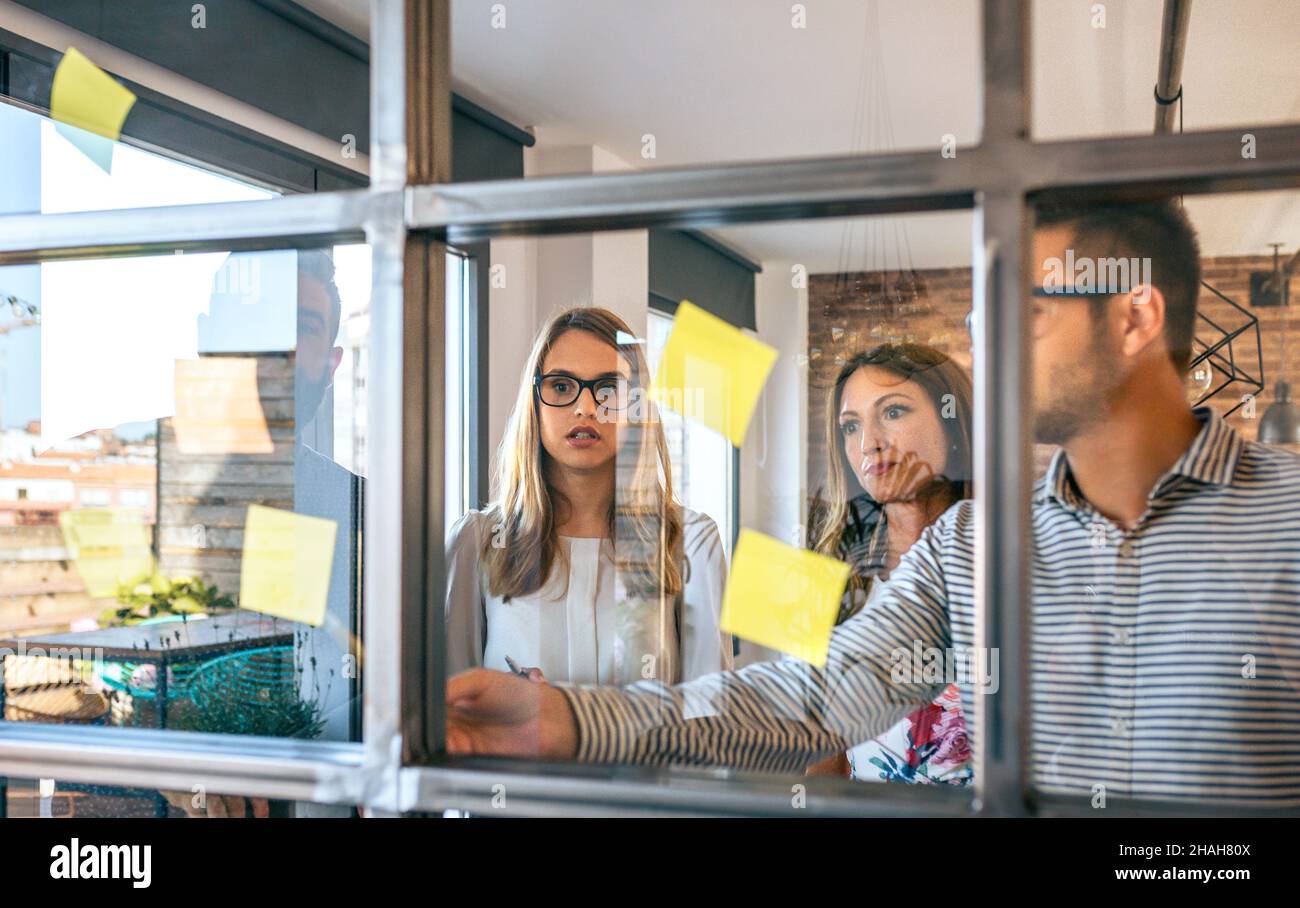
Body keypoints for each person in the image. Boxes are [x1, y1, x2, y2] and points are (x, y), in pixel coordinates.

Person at [444, 201, 1300, 806]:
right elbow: (811, 699)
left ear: (1134, 315)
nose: (982, 340)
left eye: (1023, 310)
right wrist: (569, 718)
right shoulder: (970, 550)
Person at [445, 306, 732, 686]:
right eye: (561, 386)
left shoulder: (691, 541)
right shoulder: (476, 542)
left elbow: (710, 723)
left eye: (609, 389)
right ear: (535, 403)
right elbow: (451, 714)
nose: (586, 408)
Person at [804, 343, 972, 784]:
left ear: (952, 426)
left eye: (893, 412)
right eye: (851, 426)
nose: (869, 443)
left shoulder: (1011, 564)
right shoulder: (832, 576)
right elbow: (826, 756)